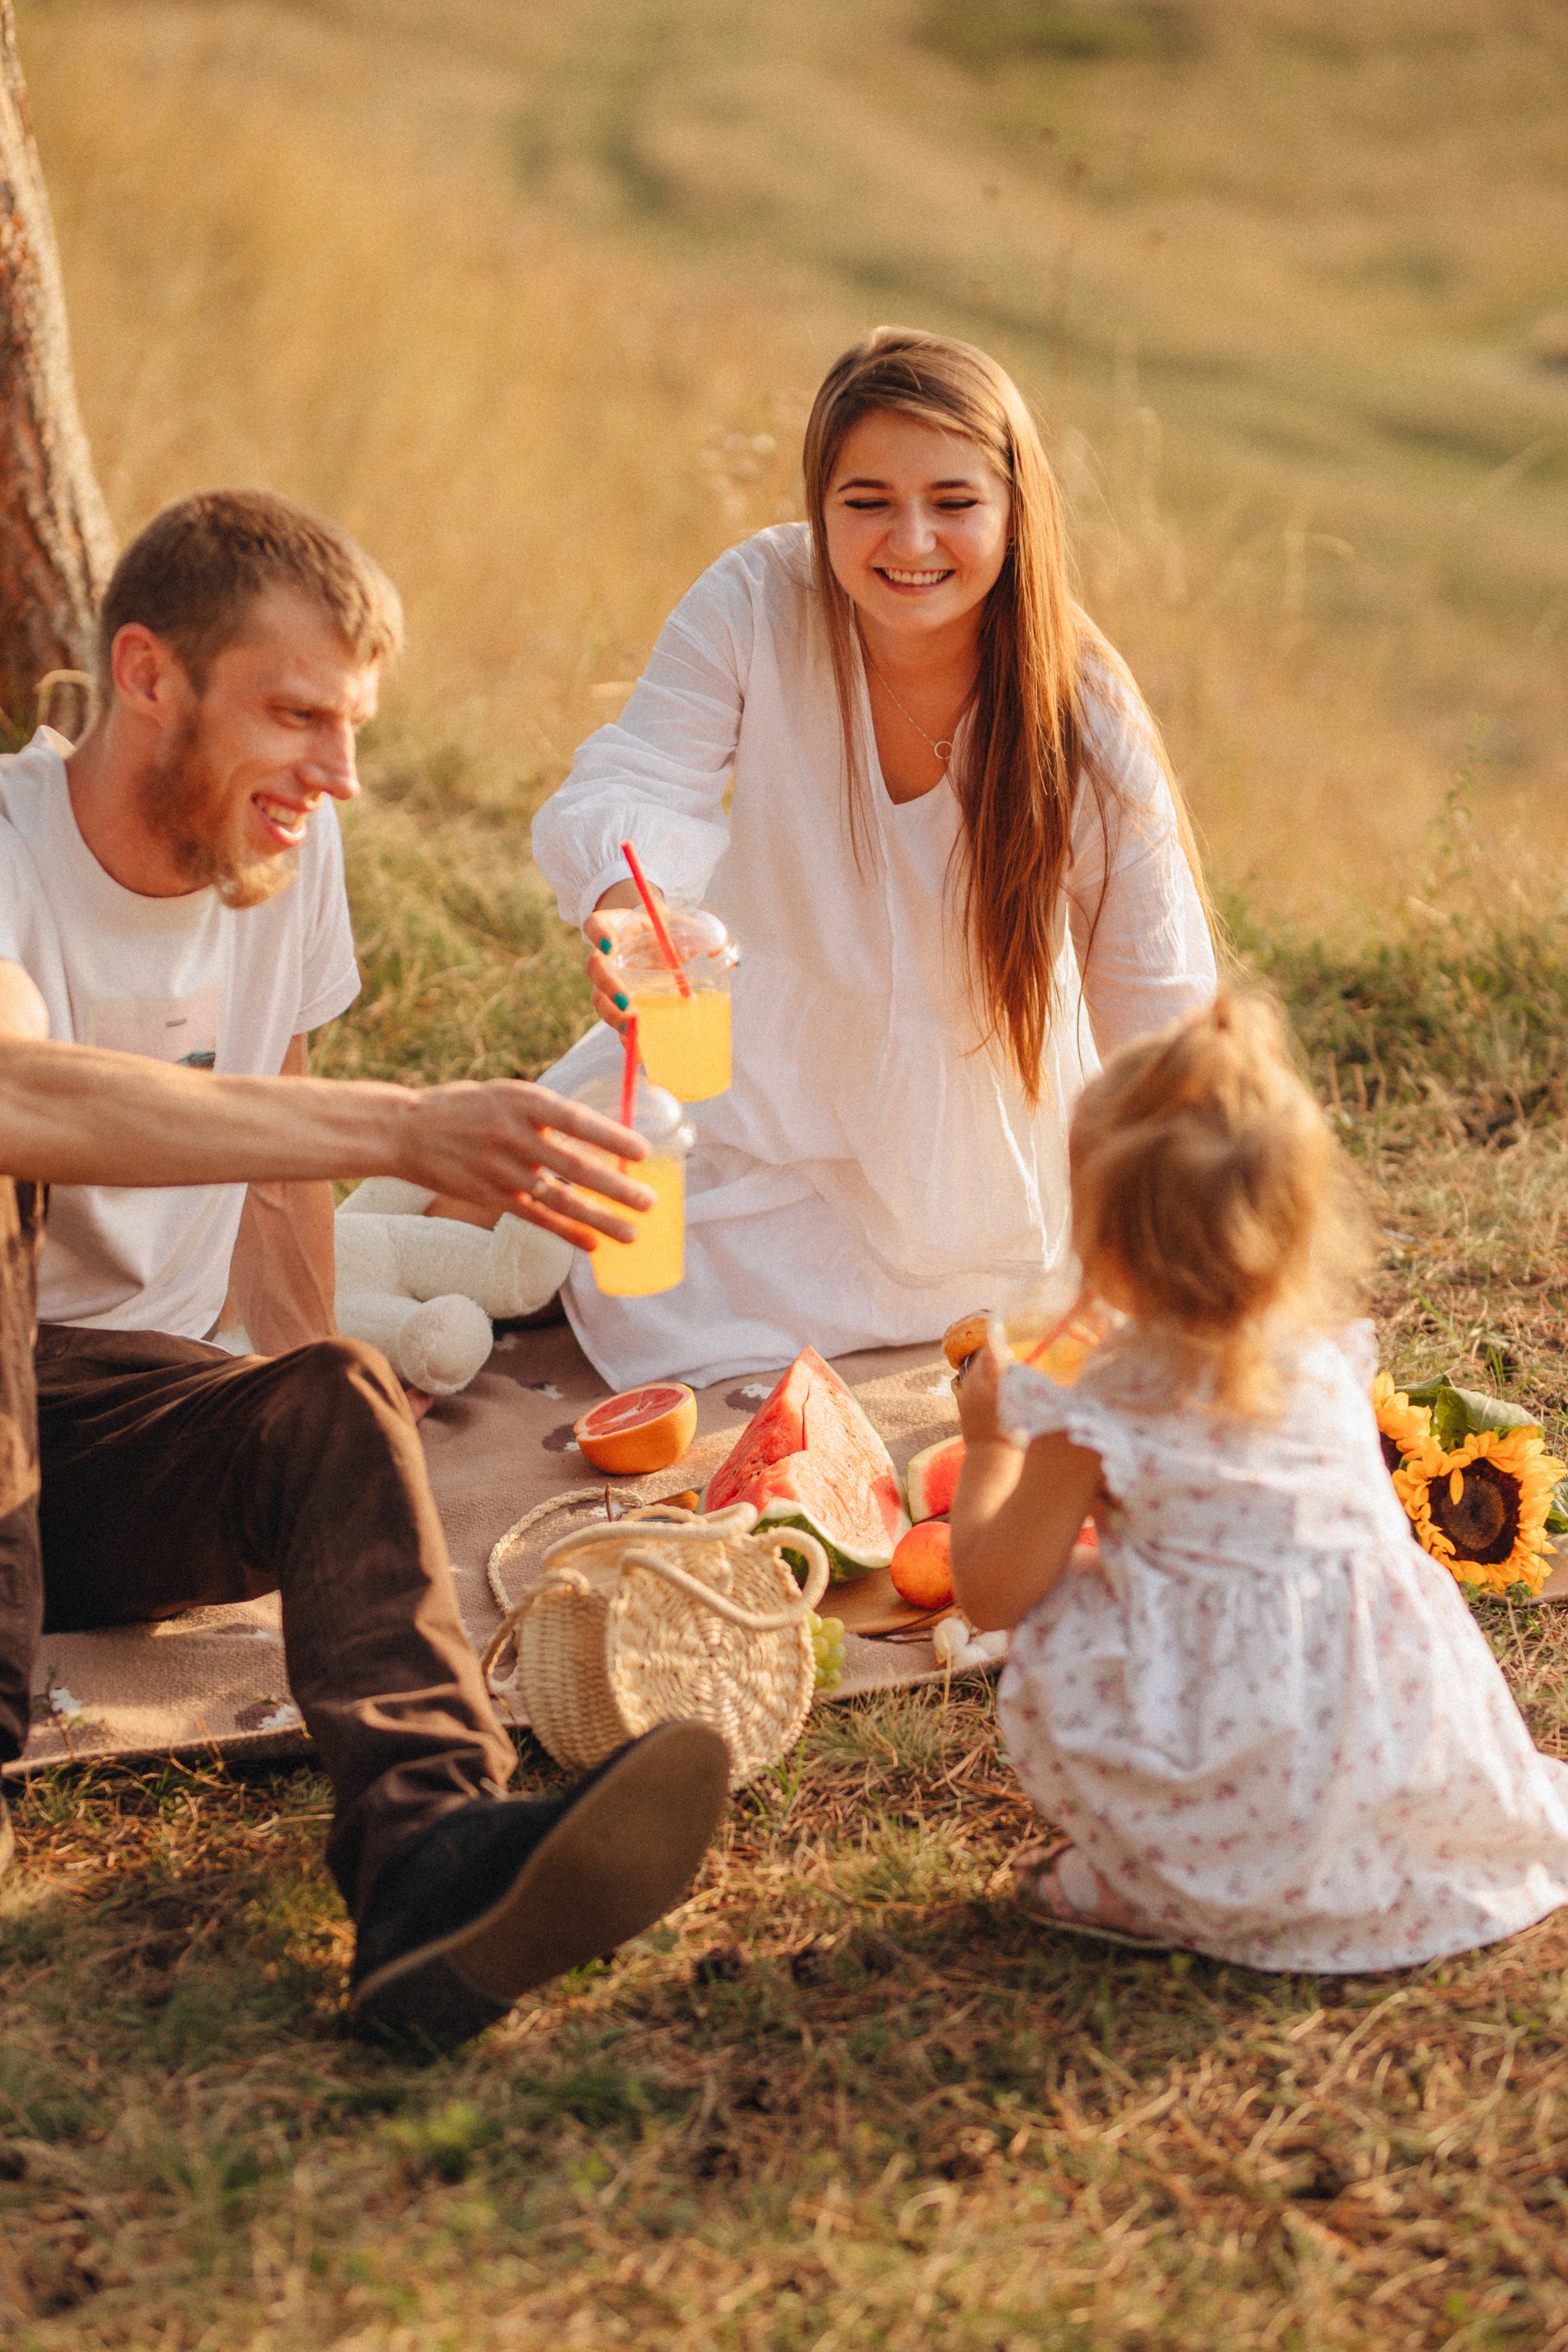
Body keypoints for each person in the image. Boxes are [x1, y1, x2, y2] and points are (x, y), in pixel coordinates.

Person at [0, 489, 729, 2046]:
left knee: (335, 1392)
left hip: (109, 1440)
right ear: (148, 676)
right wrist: (403, 1127)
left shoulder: (287, 855)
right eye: (297, 717)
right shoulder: (1, 849)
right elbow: (22, 1091)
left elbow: (278, 1180)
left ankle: (431, 1874)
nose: (336, 775)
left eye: (355, 727)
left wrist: (351, 1479)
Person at [530, 325, 1216, 1391]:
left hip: (976, 1155)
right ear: (820, 504)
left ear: (1015, 511)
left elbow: (1153, 994)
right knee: (613, 1253)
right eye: (866, 502)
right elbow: (632, 783)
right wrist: (631, 910)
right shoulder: (758, 600)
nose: (911, 540)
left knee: (1006, 1314)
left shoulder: (1081, 707)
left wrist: (1147, 1229)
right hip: (757, 1091)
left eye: (953, 501)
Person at [949, 993, 1568, 1971]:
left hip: (1228, 1758)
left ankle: (1157, 1883)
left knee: (1061, 1622)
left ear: (1104, 1247)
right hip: (1375, 1744)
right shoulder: (1327, 1360)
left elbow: (990, 1595)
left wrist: (990, 1447)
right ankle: (1358, 1862)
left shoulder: (1095, 1411)